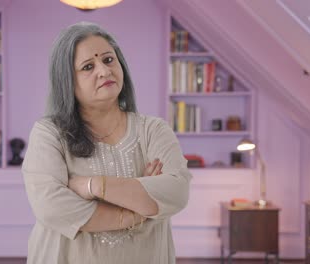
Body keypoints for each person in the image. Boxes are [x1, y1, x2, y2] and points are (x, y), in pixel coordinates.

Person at [22, 21, 192, 264]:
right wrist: (138, 206)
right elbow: (52, 207)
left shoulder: (153, 130)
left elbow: (176, 192)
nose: (103, 71)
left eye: (108, 60)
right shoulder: (49, 133)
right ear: (67, 82)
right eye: (88, 66)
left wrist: (93, 186)